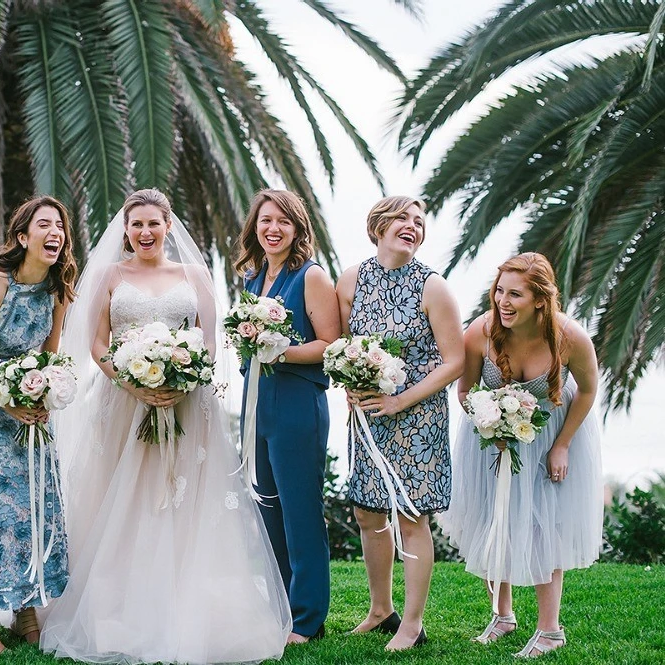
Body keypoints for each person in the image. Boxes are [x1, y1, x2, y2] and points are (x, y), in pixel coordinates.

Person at [40, 188, 291, 664]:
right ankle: (120, 612)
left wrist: (180, 383)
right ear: (126, 230)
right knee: (124, 502)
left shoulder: (194, 276)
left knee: (181, 503)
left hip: (186, 405)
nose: (145, 232)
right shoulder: (111, 276)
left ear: (168, 225)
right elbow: (97, 345)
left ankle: (179, 607)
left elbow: (211, 345)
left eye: (153, 223)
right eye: (136, 224)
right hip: (123, 405)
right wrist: (133, 383)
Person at [442, 252, 602, 658]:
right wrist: (488, 424)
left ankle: (550, 631)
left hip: (549, 435)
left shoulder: (571, 338)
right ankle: (502, 615)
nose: (503, 302)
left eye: (515, 294)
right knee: (491, 517)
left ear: (540, 300)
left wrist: (562, 444)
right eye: (499, 291)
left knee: (543, 524)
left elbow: (587, 390)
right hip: (490, 438)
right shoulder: (480, 331)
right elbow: (464, 391)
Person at [336, 196, 464, 650]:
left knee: (411, 515)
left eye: (419, 221)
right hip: (368, 417)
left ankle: (412, 624)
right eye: (403, 219)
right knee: (367, 510)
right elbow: (345, 347)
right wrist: (350, 384)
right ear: (378, 226)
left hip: (418, 417)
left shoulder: (433, 287)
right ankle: (380, 609)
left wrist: (400, 401)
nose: (413, 226)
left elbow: (455, 361)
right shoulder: (352, 278)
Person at [0, 196, 77, 654]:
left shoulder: (58, 287)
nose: (55, 233)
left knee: (33, 504)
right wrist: (4, 399)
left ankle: (25, 603)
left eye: (60, 226)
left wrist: (44, 391)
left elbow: (50, 352)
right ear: (23, 237)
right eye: (44, 225)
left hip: (30, 412)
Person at [234, 189, 340, 643]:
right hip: (256, 400)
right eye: (265, 221)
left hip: (298, 402)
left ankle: (307, 618)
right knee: (267, 508)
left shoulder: (310, 276)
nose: (272, 229)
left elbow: (330, 344)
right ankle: (279, 608)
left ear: (297, 228)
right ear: (254, 228)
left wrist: (279, 351)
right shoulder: (252, 279)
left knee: (299, 512)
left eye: (282, 221)